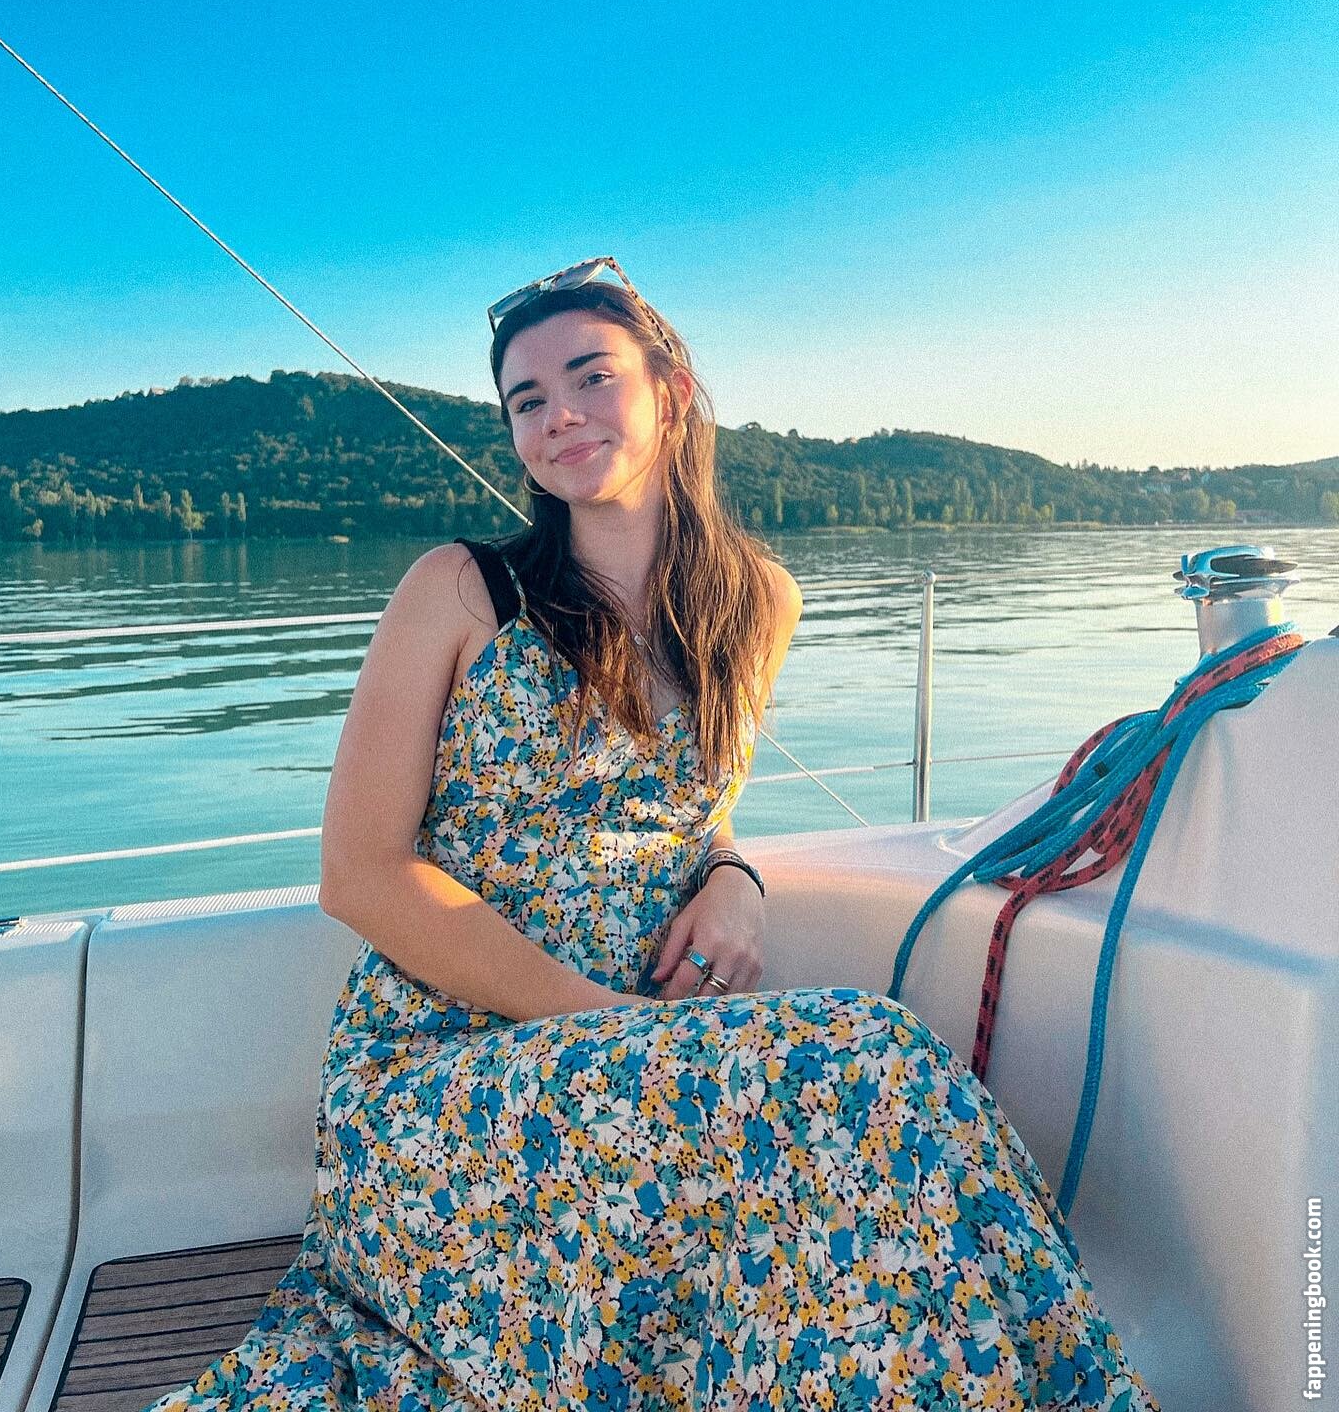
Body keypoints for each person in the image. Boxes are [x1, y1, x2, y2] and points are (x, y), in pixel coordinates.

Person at [145, 258, 1159, 1410]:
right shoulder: (463, 592)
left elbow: (692, 801)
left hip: (645, 1059)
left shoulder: (758, 604)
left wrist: (733, 875)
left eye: (592, 376)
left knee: (879, 1110)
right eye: (528, 399)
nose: (559, 414)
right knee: (868, 1057)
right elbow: (360, 874)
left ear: (670, 393)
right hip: (443, 1073)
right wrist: (600, 1015)